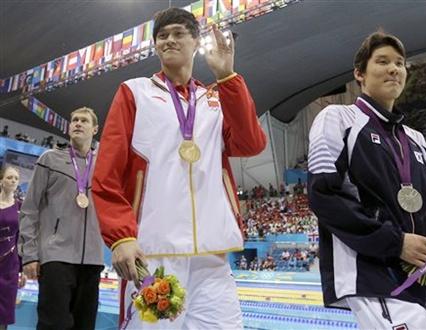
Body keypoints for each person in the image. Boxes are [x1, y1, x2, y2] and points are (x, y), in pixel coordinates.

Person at [92, 7, 266, 329]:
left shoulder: (215, 98)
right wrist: (121, 237)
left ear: (196, 41)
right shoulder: (134, 93)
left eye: (178, 33)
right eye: (162, 36)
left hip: (213, 255)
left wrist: (228, 77)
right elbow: (106, 175)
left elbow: (251, 144)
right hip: (153, 253)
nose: (168, 40)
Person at [307, 31, 426, 330]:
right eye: (382, 61)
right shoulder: (338, 118)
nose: (394, 69)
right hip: (372, 272)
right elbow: (323, 195)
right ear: (359, 74)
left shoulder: (416, 139)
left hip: (420, 281)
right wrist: (394, 242)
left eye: (400, 63)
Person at [19, 107, 104, 330]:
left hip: (92, 260)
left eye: (84, 121)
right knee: (54, 324)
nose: (77, 123)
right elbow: (29, 209)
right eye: (74, 119)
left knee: (85, 325)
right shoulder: (50, 159)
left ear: (95, 129)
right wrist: (29, 255)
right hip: (56, 256)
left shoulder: (104, 164)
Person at [0, 166, 26, 329]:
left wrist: (22, 270)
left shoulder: (21, 207)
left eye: (16, 178)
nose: (13, 181)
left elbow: (21, 238)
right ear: (1, 181)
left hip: (10, 265)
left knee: (4, 311)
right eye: (10, 177)